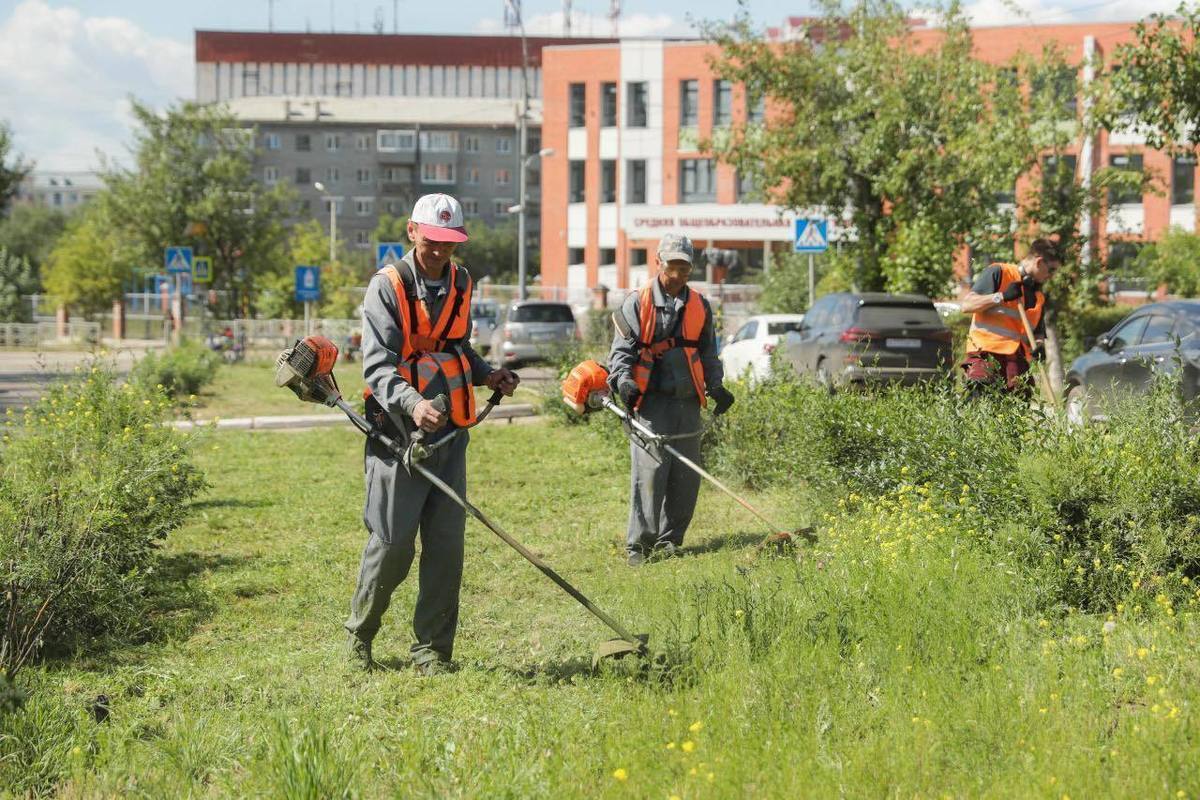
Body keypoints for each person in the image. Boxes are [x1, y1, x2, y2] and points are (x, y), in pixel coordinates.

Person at [345, 193, 520, 674]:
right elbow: (377, 367)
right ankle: (361, 633)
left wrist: (487, 375)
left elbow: (456, 345)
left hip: (449, 437)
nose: (442, 250)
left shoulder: (462, 282)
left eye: (451, 242)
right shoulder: (387, 287)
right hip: (397, 437)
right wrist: (414, 403)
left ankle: (432, 651)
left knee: (446, 548)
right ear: (412, 232)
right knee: (392, 543)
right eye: (434, 240)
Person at [606, 234, 735, 567]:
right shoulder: (635, 302)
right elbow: (620, 354)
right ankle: (639, 546)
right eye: (672, 266)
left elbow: (708, 353)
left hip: (687, 401)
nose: (677, 275)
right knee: (650, 474)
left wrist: (716, 386)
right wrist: (624, 382)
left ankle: (671, 540)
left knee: (685, 476)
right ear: (658, 262)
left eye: (684, 268)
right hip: (649, 403)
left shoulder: (700, 306)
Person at [959, 238, 1061, 398]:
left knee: (1020, 403)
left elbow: (1037, 335)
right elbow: (967, 305)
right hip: (986, 354)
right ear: (1039, 262)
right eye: (1052, 270)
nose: (1052, 276)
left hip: (1016, 361)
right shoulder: (999, 272)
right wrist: (1001, 296)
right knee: (980, 401)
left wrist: (1039, 347)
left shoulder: (1038, 297)